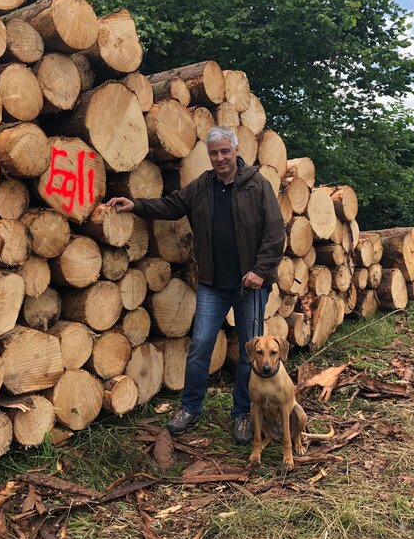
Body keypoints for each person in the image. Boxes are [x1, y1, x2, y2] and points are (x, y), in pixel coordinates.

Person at [106, 126, 285, 445]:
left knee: (249, 353)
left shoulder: (258, 185)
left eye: (224, 151)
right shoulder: (202, 186)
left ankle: (242, 413)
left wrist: (260, 270)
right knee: (201, 346)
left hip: (251, 286)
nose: (219, 158)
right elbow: (171, 206)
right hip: (213, 284)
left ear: (235, 150)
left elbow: (275, 233)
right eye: (213, 153)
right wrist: (136, 205)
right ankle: (190, 407)